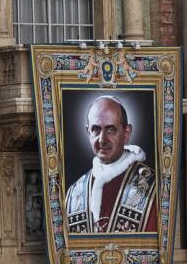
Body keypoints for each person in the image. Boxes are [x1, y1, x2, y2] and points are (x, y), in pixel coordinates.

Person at [64, 95, 157, 234]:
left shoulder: (153, 186)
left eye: (111, 129)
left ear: (126, 133)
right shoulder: (74, 192)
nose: (102, 139)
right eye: (96, 129)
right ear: (88, 132)